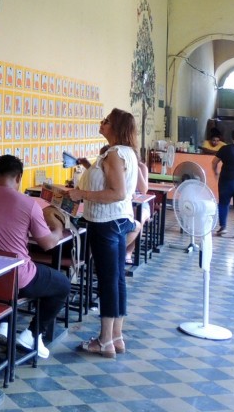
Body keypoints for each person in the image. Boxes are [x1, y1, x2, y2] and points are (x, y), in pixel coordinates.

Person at [0, 154, 70, 359]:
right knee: (62, 284)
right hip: (15, 279)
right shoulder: (28, 204)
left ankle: (6, 325)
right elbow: (48, 244)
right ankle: (32, 334)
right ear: (19, 177)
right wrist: (58, 229)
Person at [65, 107, 139, 358]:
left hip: (106, 222)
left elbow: (117, 192)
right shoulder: (123, 153)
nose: (102, 122)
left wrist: (81, 194)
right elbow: (110, 182)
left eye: (106, 121)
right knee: (116, 279)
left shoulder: (115, 154)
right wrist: (89, 166)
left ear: (116, 127)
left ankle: (104, 340)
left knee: (108, 280)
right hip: (116, 220)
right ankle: (117, 337)